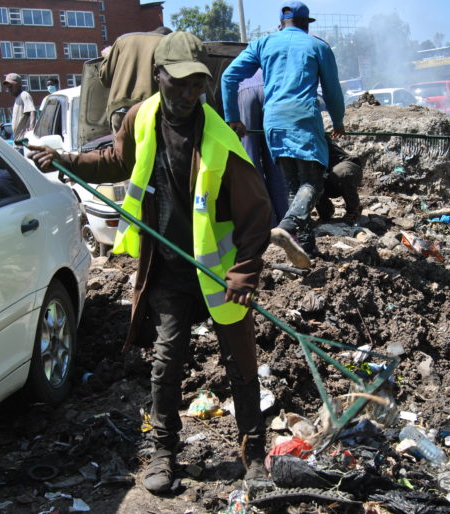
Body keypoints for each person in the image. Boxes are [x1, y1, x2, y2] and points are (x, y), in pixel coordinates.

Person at [28, 31, 272, 494]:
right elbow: (116, 161)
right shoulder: (142, 118)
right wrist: (68, 160)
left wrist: (244, 272)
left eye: (196, 85)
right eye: (177, 83)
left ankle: (253, 452)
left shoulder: (220, 138)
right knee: (166, 362)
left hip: (219, 272)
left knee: (240, 362)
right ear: (158, 75)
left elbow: (257, 213)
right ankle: (163, 452)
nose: (187, 94)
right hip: (169, 269)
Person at [221, 1, 345, 269]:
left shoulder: (262, 44)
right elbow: (333, 91)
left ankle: (306, 249)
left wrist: (233, 117)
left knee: (292, 187)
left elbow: (229, 76)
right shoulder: (317, 46)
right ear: (305, 22)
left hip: (273, 122)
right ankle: (287, 228)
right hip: (303, 119)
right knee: (313, 183)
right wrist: (338, 121)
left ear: (282, 23)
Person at [99, 26, 172, 136]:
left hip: (119, 110)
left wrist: (108, 56)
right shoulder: (167, 43)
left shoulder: (122, 40)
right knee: (150, 151)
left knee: (122, 152)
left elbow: (104, 78)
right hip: (150, 109)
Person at [238, 68, 289, 225]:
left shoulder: (237, 68)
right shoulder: (269, 65)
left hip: (244, 94)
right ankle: (285, 219)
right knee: (276, 161)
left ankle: (267, 221)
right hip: (270, 92)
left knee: (251, 161)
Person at [316, 137, 362, 224]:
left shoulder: (313, 134)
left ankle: (354, 209)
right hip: (326, 179)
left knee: (342, 172)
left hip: (344, 167)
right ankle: (326, 211)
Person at [3, 73, 36, 147]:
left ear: (18, 85)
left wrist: (31, 130)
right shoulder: (17, 98)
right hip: (18, 141)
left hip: (23, 141)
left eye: (11, 86)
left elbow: (32, 111)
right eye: (7, 87)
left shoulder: (24, 95)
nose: (9, 89)